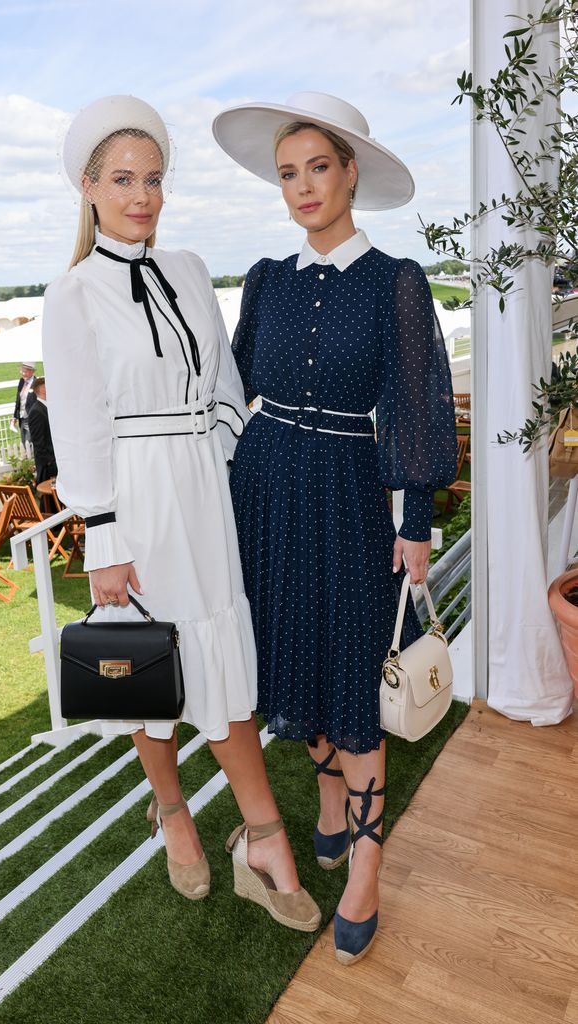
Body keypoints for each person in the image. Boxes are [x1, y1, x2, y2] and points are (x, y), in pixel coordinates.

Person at [42, 94, 320, 930]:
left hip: (206, 487)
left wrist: (244, 479)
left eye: (153, 179)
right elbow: (80, 420)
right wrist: (102, 533)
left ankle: (261, 835)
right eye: (123, 179)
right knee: (146, 664)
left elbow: (227, 391)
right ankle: (174, 816)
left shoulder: (192, 270)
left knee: (224, 660)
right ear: (88, 188)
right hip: (138, 497)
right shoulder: (73, 293)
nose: (142, 196)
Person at [212, 92, 458, 963]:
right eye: (288, 173)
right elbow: (227, 388)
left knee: (351, 670)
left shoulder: (396, 280)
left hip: (351, 495)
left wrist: (417, 517)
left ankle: (364, 866)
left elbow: (415, 404)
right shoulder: (266, 280)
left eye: (319, 166)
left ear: (351, 172)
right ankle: (321, 806)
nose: (304, 186)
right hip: (266, 490)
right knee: (295, 658)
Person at [27, 377, 58, 484]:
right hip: (48, 466)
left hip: (55, 462)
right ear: (43, 390)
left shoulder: (47, 407)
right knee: (49, 497)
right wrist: (50, 462)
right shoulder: (36, 411)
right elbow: (38, 442)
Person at [11, 362, 37, 446]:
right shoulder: (21, 381)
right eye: (22, 371)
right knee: (23, 442)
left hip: (32, 418)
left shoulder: (36, 383)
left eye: (25, 371)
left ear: (32, 372)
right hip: (22, 417)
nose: (23, 373)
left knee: (29, 443)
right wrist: (14, 417)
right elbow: (18, 400)